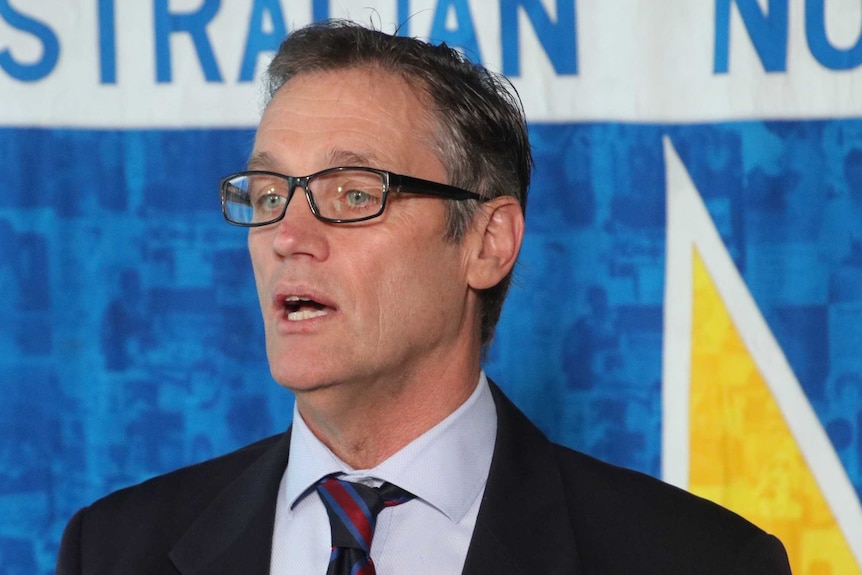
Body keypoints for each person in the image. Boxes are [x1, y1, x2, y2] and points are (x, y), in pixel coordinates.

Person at [56, 19, 792, 575]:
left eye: (352, 192)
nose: (289, 234)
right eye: (271, 191)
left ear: (487, 241)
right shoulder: (116, 549)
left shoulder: (697, 558)